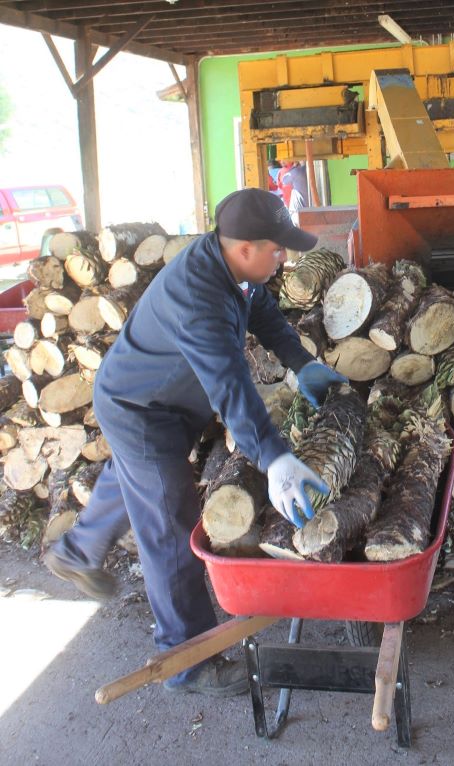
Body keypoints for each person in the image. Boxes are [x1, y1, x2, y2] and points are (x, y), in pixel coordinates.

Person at [43, 188, 346, 697]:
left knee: (135, 483)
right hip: (141, 410)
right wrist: (274, 458)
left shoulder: (235, 270)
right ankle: (187, 661)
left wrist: (301, 361)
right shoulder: (199, 297)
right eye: (278, 248)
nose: (285, 257)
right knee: (169, 522)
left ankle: (77, 550)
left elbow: (264, 311)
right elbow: (230, 387)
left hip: (161, 399)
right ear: (247, 247)